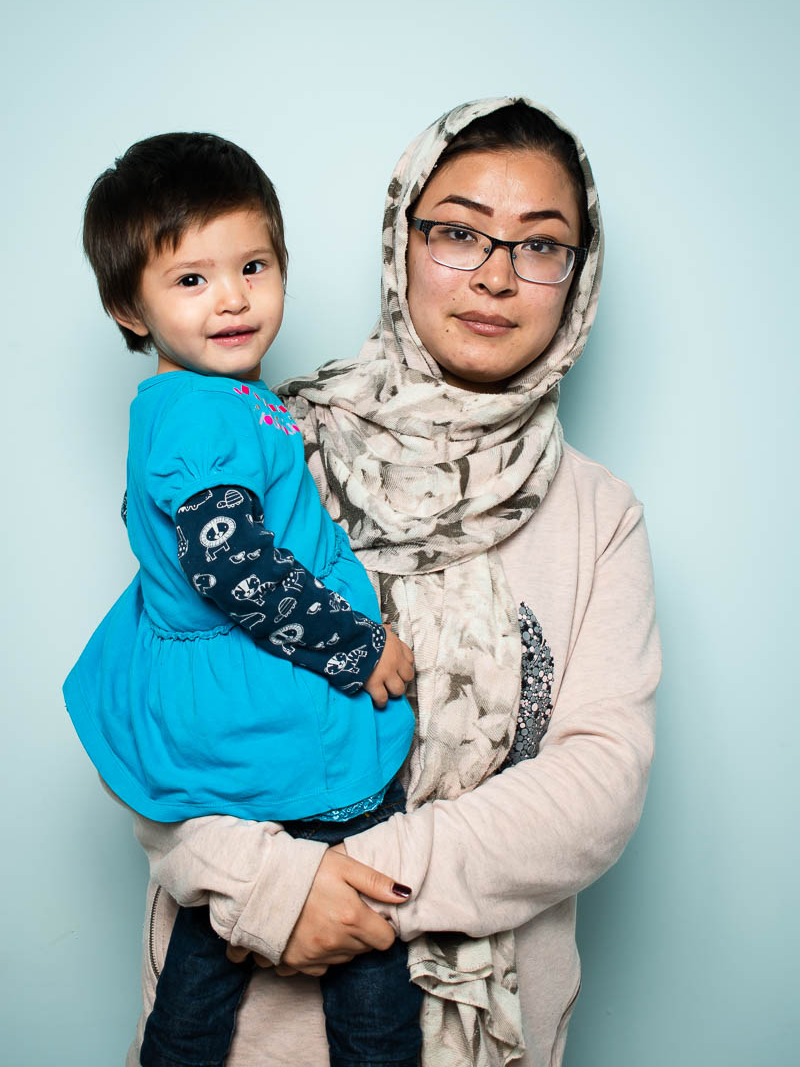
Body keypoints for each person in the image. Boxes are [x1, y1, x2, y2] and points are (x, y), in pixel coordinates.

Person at [124, 97, 661, 1067]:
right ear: (399, 236)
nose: (495, 276)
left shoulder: (597, 516)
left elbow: (597, 788)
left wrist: (357, 874)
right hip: (249, 1034)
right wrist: (278, 892)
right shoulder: (269, 447)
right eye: (456, 232)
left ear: (575, 281)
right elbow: (161, 710)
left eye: (539, 247)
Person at [62, 132, 423, 1067]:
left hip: (228, 714)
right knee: (366, 909)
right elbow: (234, 568)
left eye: (253, 265)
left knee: (209, 947)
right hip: (265, 710)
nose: (231, 297)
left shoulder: (210, 402)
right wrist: (354, 644)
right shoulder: (198, 415)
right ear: (125, 307)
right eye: (190, 279)